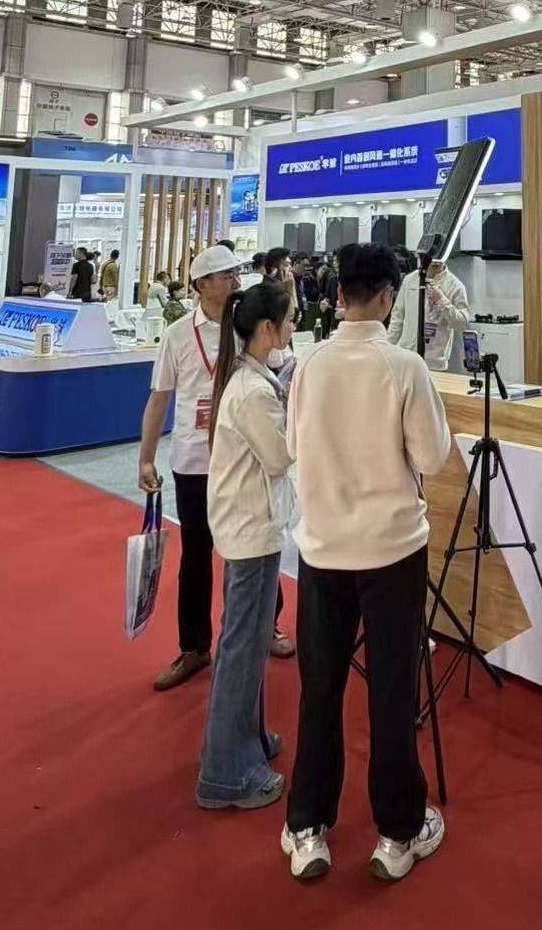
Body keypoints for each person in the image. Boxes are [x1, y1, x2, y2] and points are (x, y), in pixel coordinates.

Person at [281, 243, 451, 883]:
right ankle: (398, 833)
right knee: (392, 689)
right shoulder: (404, 367)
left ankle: (307, 829)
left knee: (320, 688)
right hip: (392, 551)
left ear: (338, 296)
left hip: (323, 550)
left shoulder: (308, 364)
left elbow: (293, 445)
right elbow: (432, 458)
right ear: (386, 296)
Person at [138, 246, 293, 693]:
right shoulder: (177, 335)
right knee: (196, 553)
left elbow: (279, 373)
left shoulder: (248, 325)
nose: (235, 281)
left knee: (255, 546)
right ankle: (194, 646)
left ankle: (267, 625)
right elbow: (160, 397)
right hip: (193, 460)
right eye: (225, 276)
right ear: (201, 285)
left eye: (236, 274)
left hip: (245, 457)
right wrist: (146, 457)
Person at [196, 281, 295, 811]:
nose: (295, 327)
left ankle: (245, 742)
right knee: (241, 648)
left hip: (249, 526)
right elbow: (279, 457)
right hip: (251, 531)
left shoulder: (247, 379)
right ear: (267, 330)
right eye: (290, 319)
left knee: (248, 645)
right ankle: (225, 773)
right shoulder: (253, 391)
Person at [387, 259, 469, 371]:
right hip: (405, 359)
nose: (435, 260)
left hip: (434, 364)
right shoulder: (410, 280)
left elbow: (462, 324)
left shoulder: (455, 286)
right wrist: (387, 350)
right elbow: (397, 318)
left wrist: (442, 301)